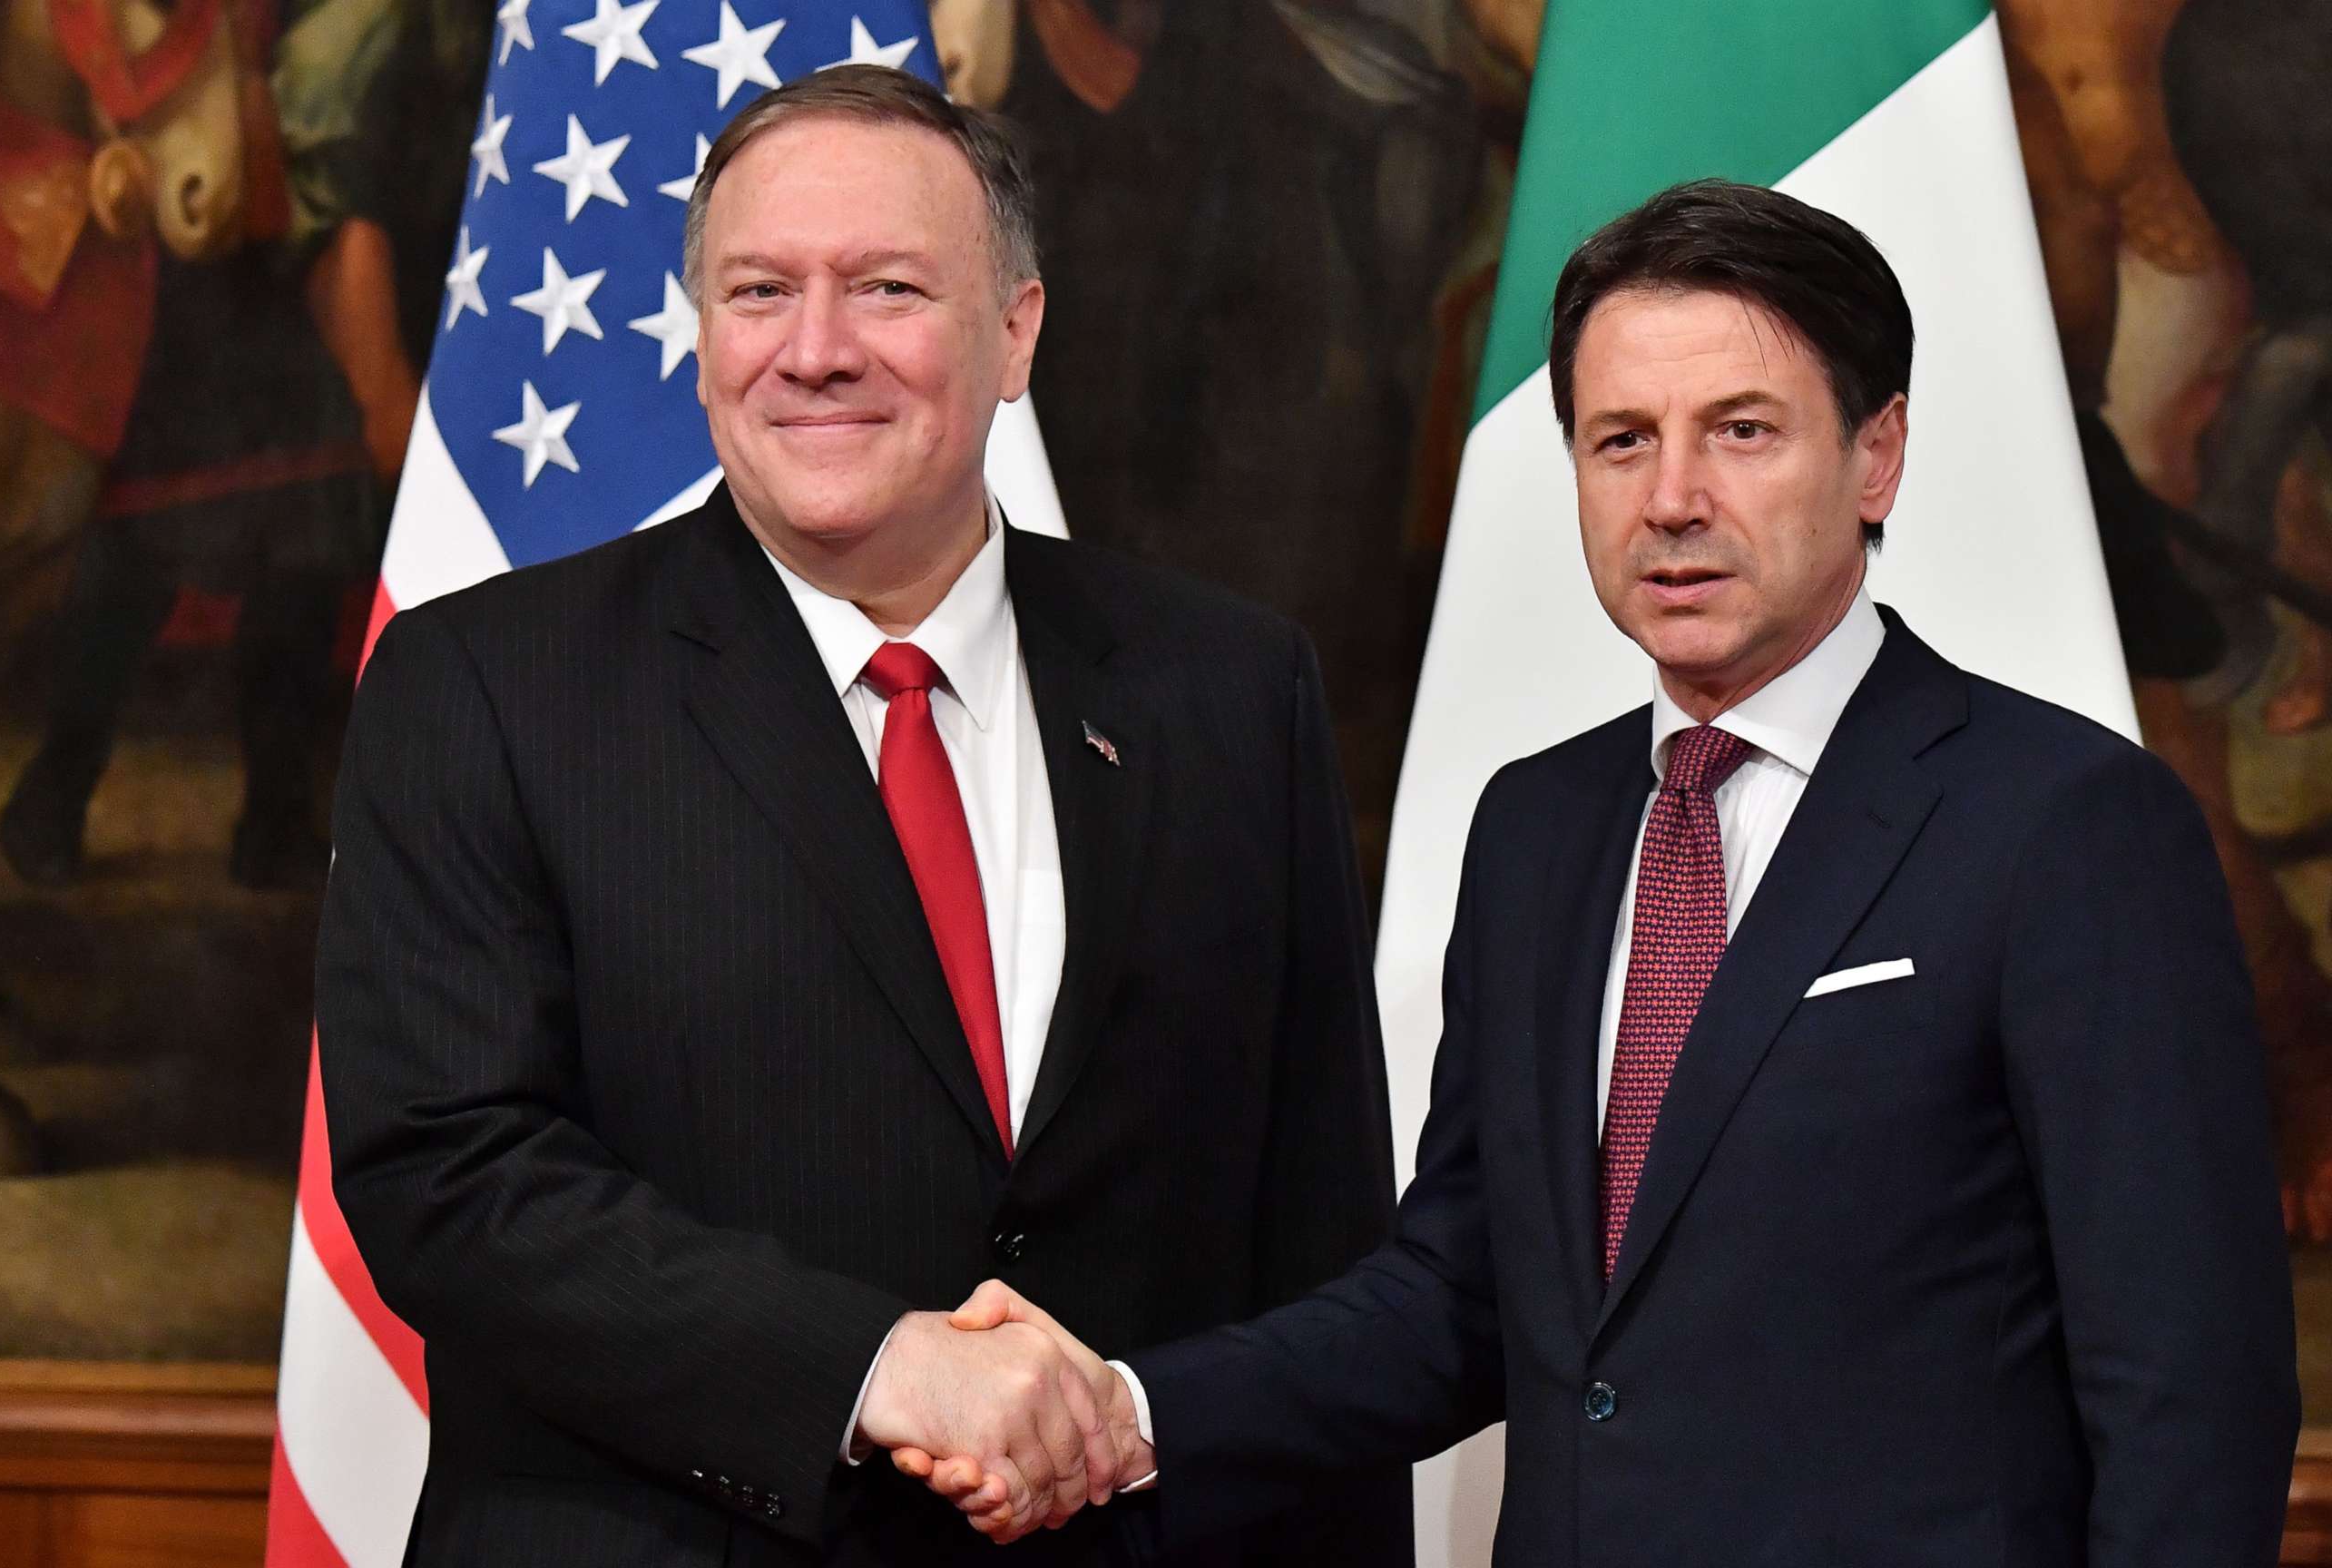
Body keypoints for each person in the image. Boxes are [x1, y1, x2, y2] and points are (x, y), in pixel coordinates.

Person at [914, 180, 2301, 1565]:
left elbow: (2189, 1394)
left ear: (1877, 456)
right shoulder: (1538, 827)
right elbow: (1463, 1296)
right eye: (1621, 441)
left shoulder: (2068, 825)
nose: (1673, 501)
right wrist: (1129, 1408)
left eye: (1742, 434)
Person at [314, 64, 1410, 1567]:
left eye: (887, 288)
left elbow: (1322, 1253)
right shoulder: (484, 688)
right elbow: (447, 1176)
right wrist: (877, 1364)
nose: (814, 351)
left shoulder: (1228, 692)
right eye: (760, 291)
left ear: (1015, 331)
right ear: (703, 335)